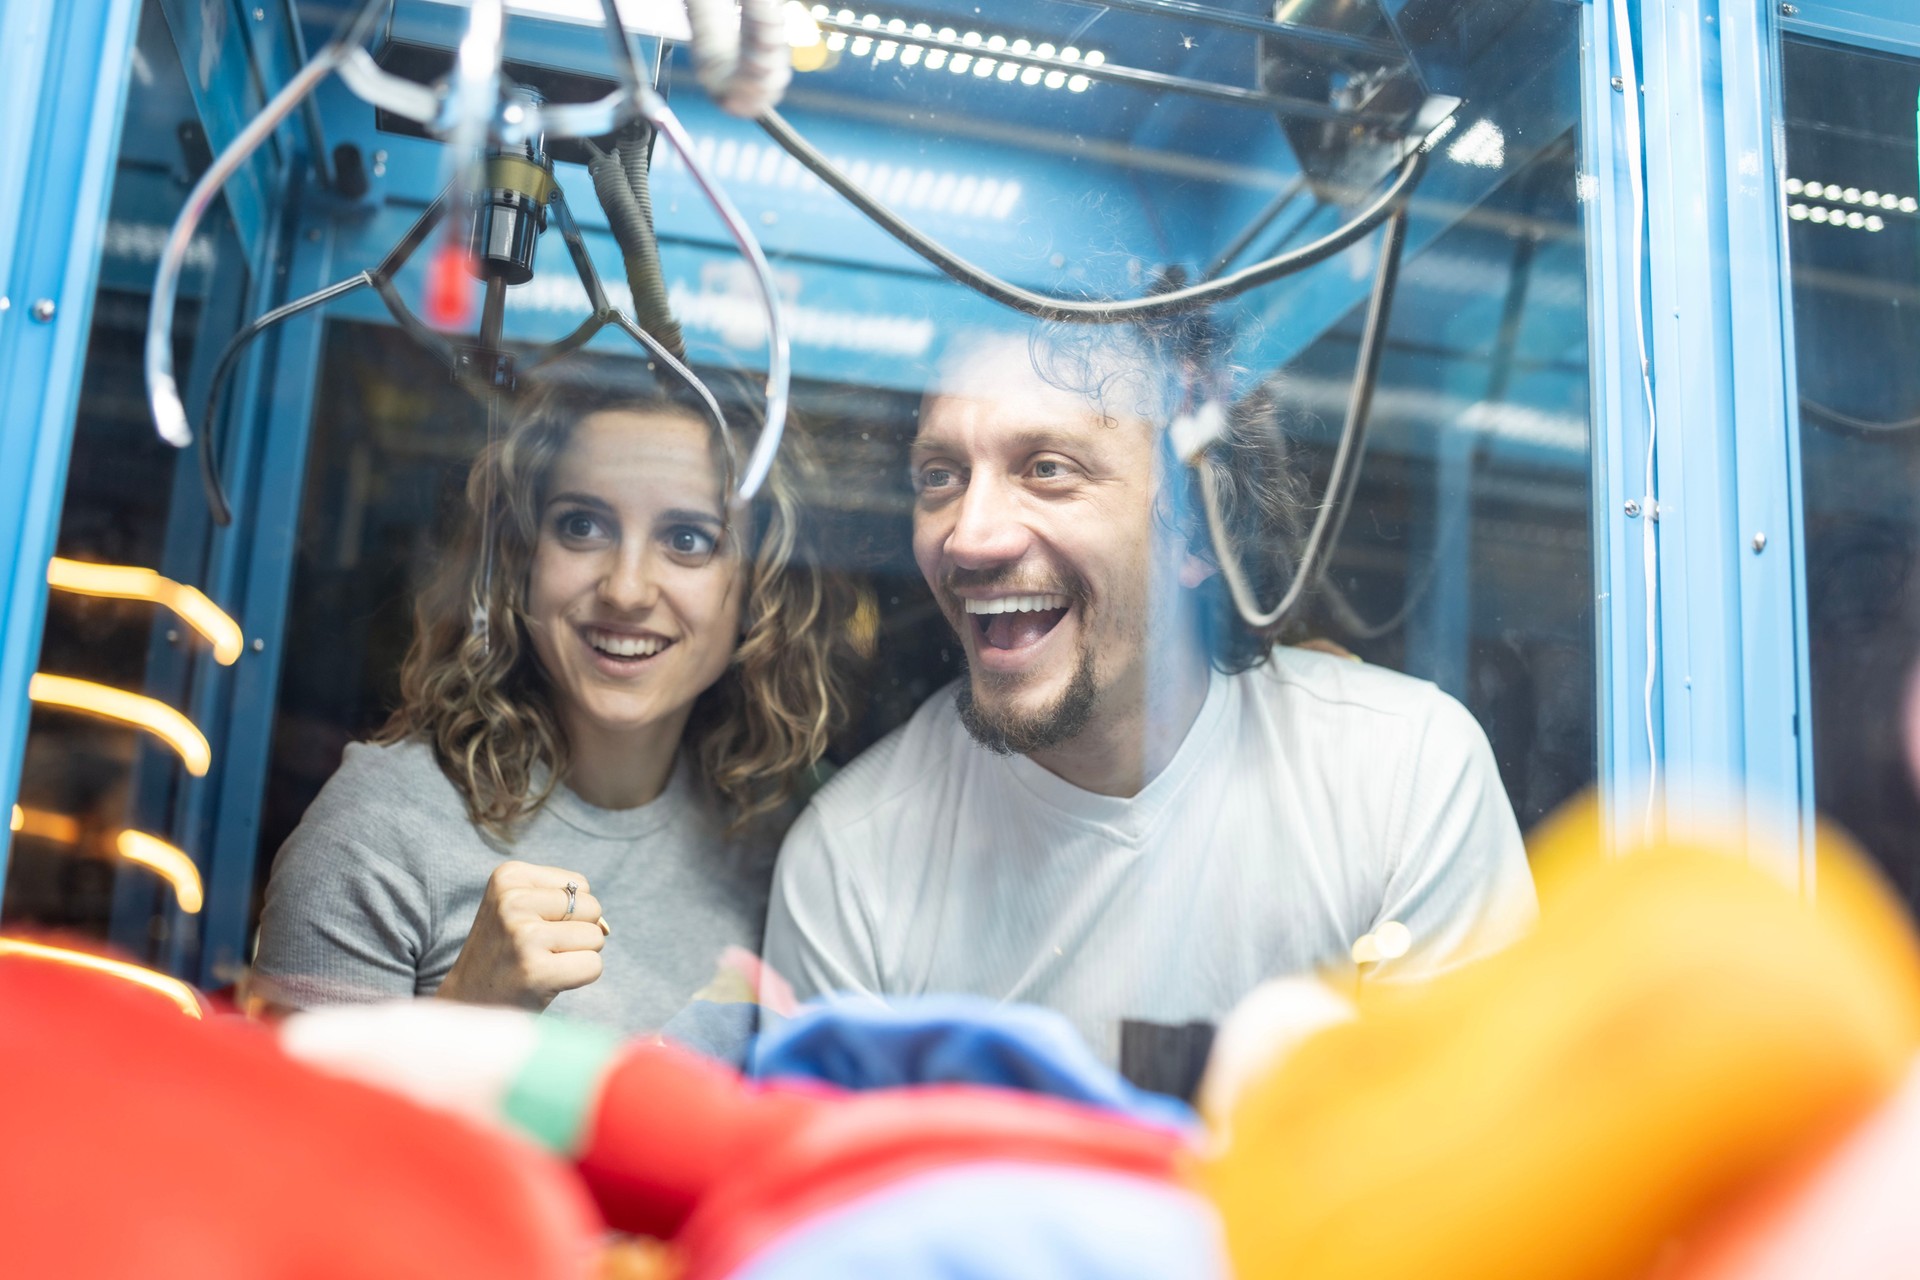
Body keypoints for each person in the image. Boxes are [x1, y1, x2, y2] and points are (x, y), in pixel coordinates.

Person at [763, 325, 1535, 1072]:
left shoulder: (1400, 777)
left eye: (1047, 468)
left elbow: (1470, 1174)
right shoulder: (852, 863)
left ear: (1198, 532)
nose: (969, 537)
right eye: (941, 476)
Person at [255, 381, 861, 1035]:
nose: (626, 589)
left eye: (687, 539)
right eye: (582, 526)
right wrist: (467, 1014)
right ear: (523, 559)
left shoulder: (780, 845)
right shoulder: (380, 833)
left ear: (759, 588)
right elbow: (287, 1138)